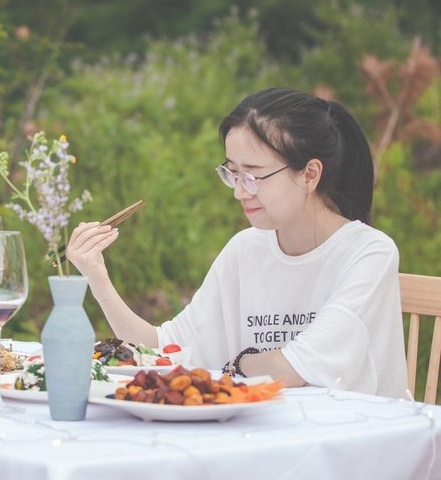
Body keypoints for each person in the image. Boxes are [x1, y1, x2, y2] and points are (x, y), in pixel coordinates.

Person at [67, 87, 408, 399]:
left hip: (351, 437)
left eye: (253, 176)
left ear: (309, 174)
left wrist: (237, 363)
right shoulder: (247, 249)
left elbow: (294, 370)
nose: (239, 191)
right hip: (266, 431)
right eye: (232, 173)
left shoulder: (368, 253)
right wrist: (99, 280)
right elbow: (162, 351)